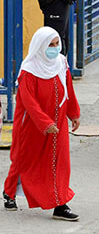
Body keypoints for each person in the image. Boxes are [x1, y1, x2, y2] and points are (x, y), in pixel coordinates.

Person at [3, 27, 81, 221]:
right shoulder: (28, 71)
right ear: (40, 46)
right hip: (32, 125)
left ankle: (60, 204)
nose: (54, 48)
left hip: (59, 122)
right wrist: (45, 123)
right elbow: (29, 102)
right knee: (24, 161)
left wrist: (74, 113)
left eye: (56, 44)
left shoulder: (61, 63)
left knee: (60, 163)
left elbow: (68, 89)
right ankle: (9, 192)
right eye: (50, 45)